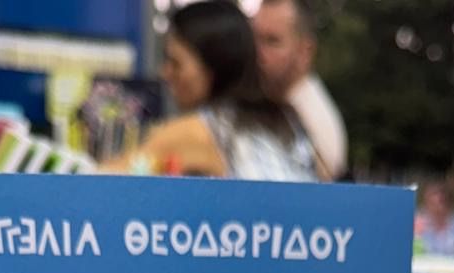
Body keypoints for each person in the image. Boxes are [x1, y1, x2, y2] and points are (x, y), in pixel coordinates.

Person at [103, 0, 319, 181]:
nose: (165, 73)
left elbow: (104, 178)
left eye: (176, 63)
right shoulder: (287, 124)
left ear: (213, 70)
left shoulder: (201, 130)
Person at [252, 0, 347, 179]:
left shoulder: (319, 134)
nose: (257, 52)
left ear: (305, 51)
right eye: (253, 38)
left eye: (272, 41)